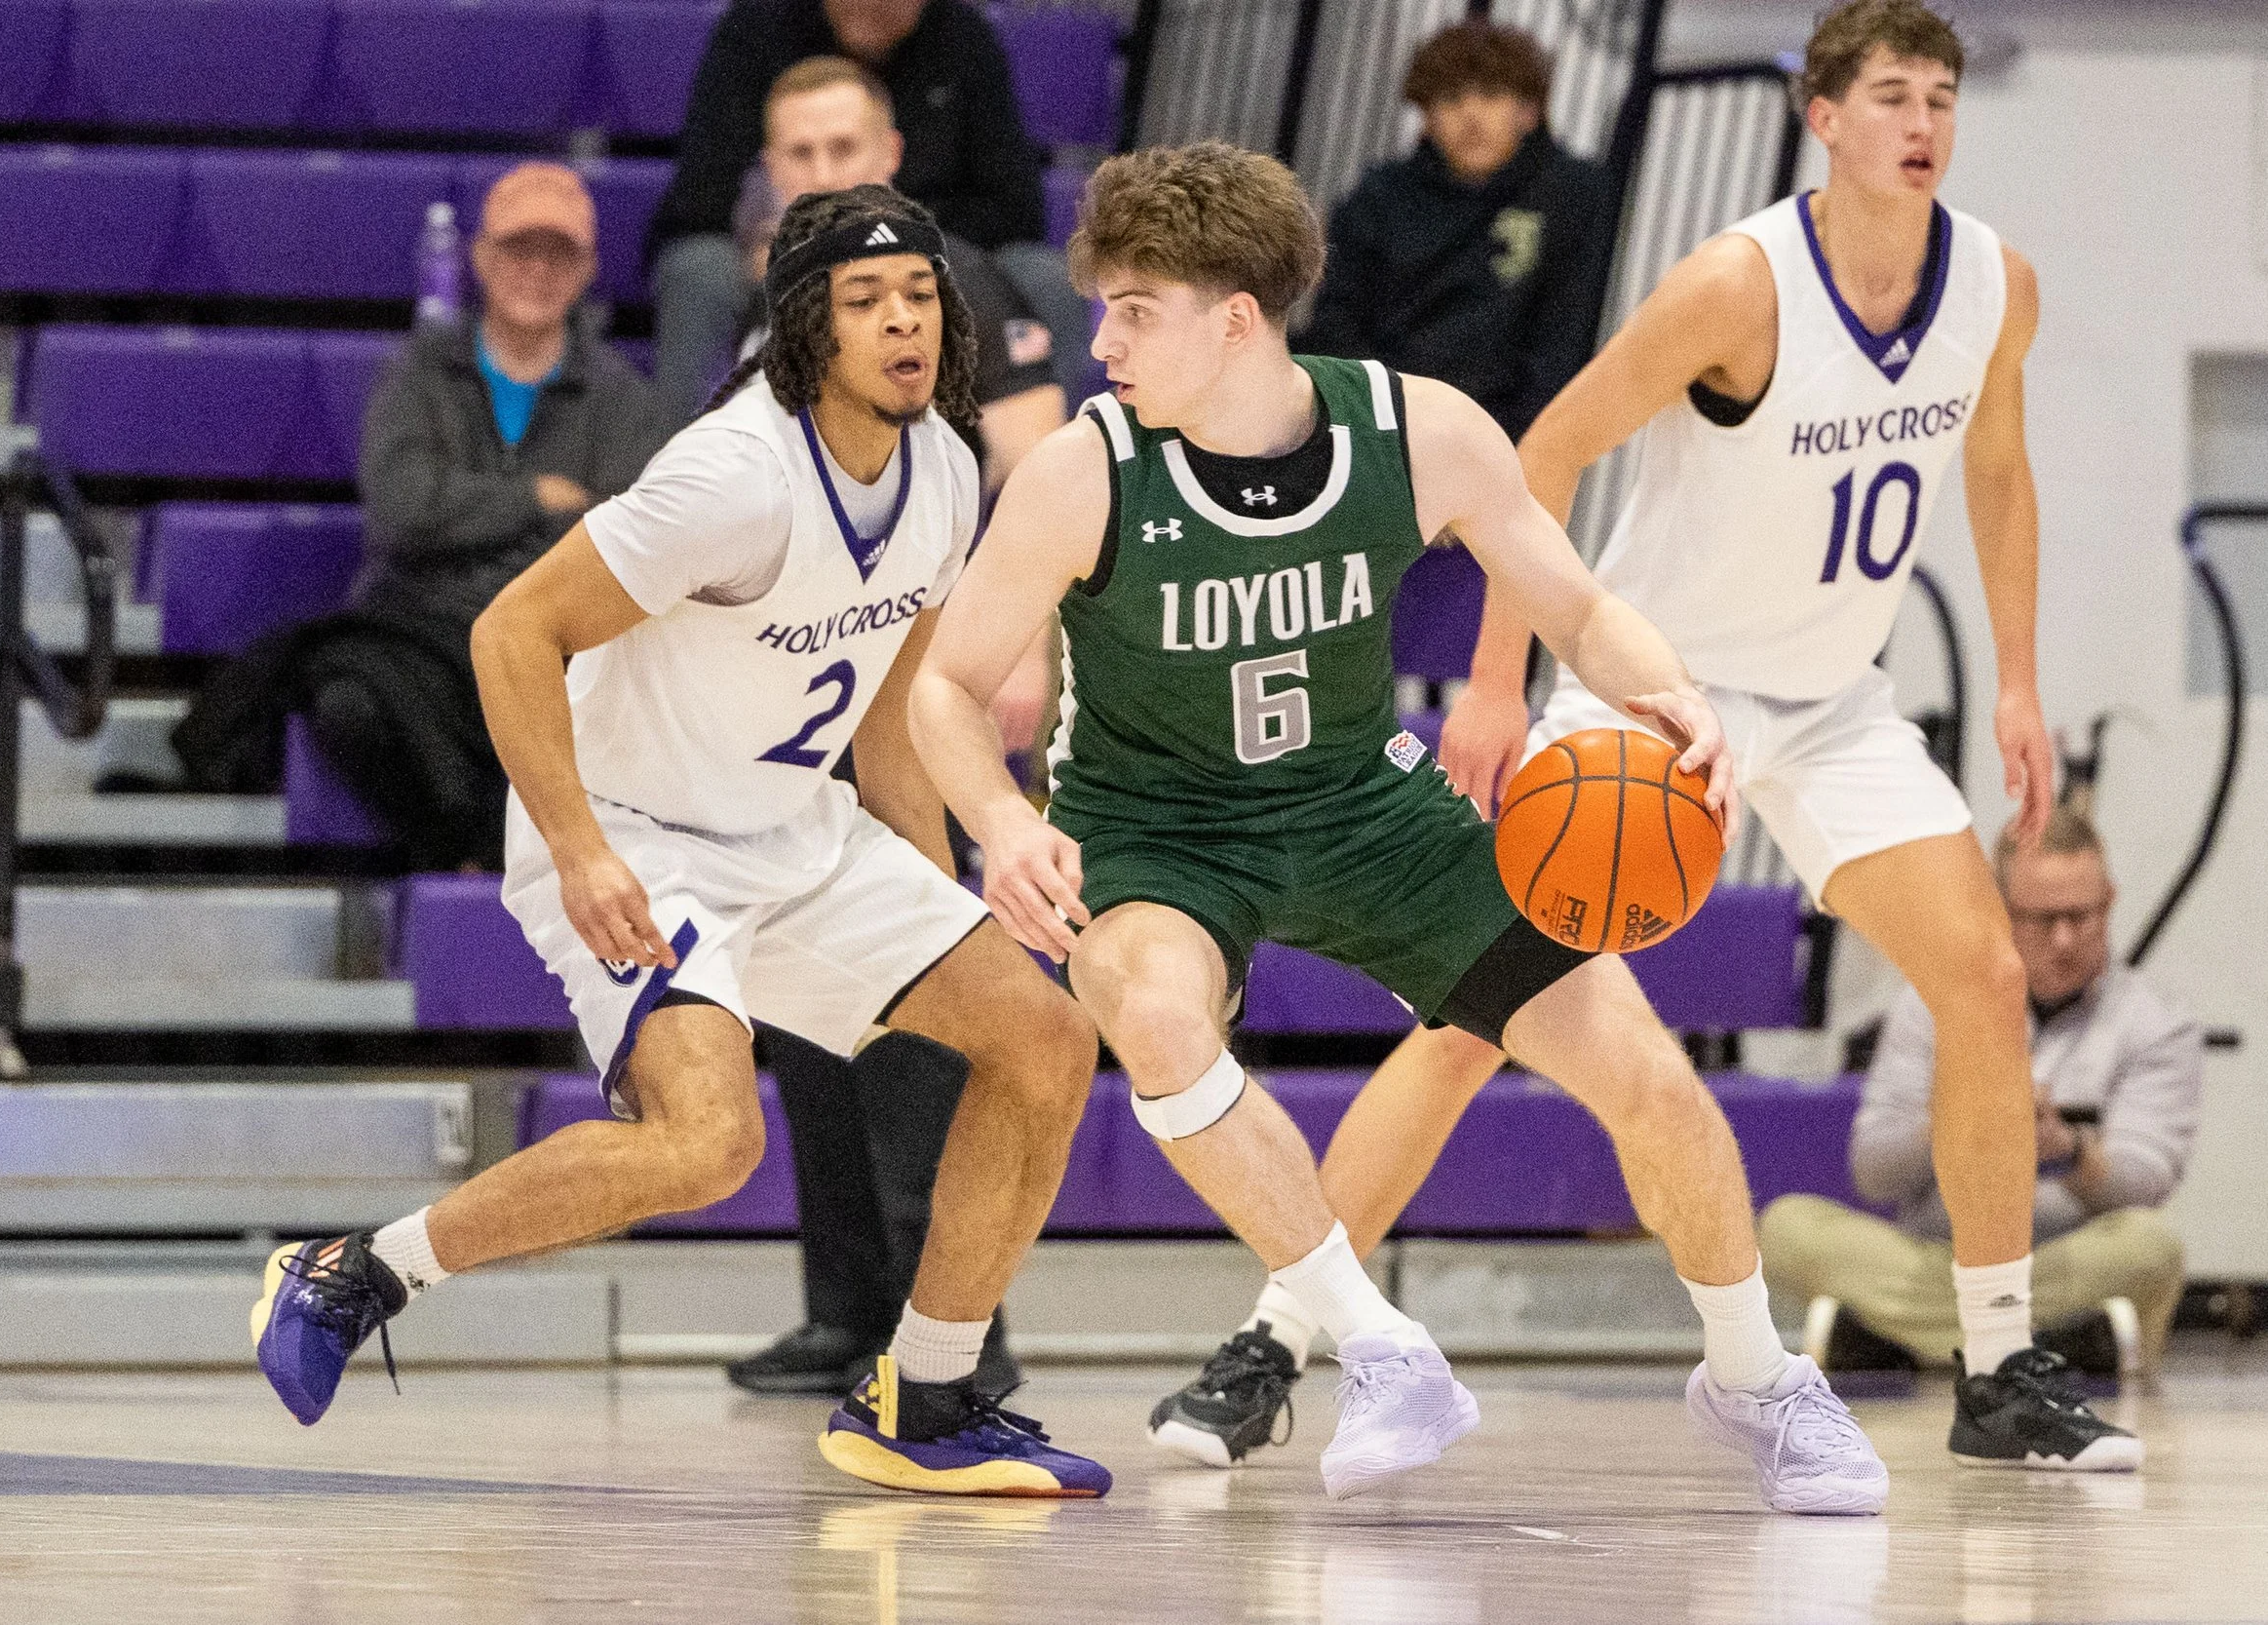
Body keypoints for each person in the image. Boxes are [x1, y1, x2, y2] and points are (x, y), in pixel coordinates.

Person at [1174, 0, 2141, 1476]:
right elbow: (1540, 454)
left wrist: (2015, 681)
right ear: (1824, 118)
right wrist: (1498, 682)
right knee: (1465, 1023)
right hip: (1649, 695)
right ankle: (1276, 1338)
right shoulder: (1735, 285)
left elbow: (1998, 476)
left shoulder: (1993, 283)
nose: (1923, 123)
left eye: (1940, 96)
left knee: (1988, 975)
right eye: (1891, 96)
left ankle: (2001, 1361)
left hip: (1830, 699)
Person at [909, 140, 1886, 1513]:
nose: (1101, 336)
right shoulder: (1085, 470)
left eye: (1134, 307)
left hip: (1370, 803)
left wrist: (1665, 686)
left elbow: (1581, 604)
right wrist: (1003, 821)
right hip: (1161, 827)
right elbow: (945, 689)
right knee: (1154, 1013)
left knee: (1649, 1078)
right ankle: (1375, 1343)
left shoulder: (1416, 431)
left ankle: (1756, 1371)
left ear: (1234, 318)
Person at [250, 186, 1112, 1500]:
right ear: (806, 327)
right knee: (709, 1143)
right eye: (868, 300)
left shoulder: (941, 467)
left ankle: (924, 1394)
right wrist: (584, 849)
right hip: (640, 833)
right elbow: (511, 634)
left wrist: (943, 895)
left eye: (921, 297)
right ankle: (357, 1270)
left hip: (797, 828)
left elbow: (885, 711)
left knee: (1044, 1034)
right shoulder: (732, 475)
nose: (904, 323)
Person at [720, 58, 1065, 1401]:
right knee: (811, 1011)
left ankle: (961, 1328)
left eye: (840, 142)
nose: (818, 165)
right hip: (795, 717)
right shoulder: (772, 319)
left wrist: (1020, 650)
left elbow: (1037, 468)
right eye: (795, 148)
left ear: (892, 143)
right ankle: (849, 1307)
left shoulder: (947, 280)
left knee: (929, 1005)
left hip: (928, 694)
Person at [167, 164, 675, 867]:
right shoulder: (417, 372)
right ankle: (462, 854)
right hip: (420, 630)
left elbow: (622, 544)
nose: (536, 270)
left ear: (588, 268)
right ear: (480, 258)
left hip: (554, 644)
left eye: (557, 253)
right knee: (350, 703)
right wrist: (533, 500)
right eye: (518, 249)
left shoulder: (624, 400)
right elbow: (401, 510)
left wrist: (468, 525)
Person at [1764, 806, 2201, 1380]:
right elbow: (1872, 1171)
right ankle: (2042, 1346)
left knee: (2153, 1247)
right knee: (1783, 1227)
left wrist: (2065, 1149)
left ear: (2110, 902)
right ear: (1998, 910)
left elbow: (2147, 1183)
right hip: (1937, 1257)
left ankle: (1907, 1341)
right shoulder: (1929, 1002)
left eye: (2081, 916)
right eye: (2040, 919)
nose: (2064, 939)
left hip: (2062, 1257)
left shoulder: (2156, 1021)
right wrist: (1960, 1122)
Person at [650, 0, 1089, 411]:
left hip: (933, 250)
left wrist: (889, 241)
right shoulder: (755, 28)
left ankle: (1049, 465)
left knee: (1045, 275)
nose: (874, 7)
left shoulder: (963, 37)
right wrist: (770, 237)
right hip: (774, 243)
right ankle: (677, 460)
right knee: (697, 268)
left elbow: (1015, 207)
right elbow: (698, 194)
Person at [1302, 19, 1616, 442]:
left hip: (1506, 436)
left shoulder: (1574, 195)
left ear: (1529, 111)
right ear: (1426, 118)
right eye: (1450, 99)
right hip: (1378, 426)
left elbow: (1564, 340)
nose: (1471, 114)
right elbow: (1336, 327)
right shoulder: (1379, 196)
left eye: (1490, 95)